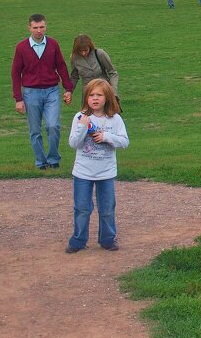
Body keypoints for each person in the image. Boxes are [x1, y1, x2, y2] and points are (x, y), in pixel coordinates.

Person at [66, 79, 128, 253]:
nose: (95, 99)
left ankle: (108, 239)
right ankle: (78, 240)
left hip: (106, 173)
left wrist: (107, 137)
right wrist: (82, 127)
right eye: (91, 95)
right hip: (83, 172)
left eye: (99, 95)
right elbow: (73, 143)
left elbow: (124, 141)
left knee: (107, 208)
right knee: (82, 208)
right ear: (86, 98)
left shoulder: (115, 119)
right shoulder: (80, 117)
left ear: (107, 97)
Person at [11, 14, 73, 170]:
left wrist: (68, 88)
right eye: (35, 28)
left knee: (53, 125)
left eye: (42, 27)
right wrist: (18, 98)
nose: (39, 31)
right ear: (29, 28)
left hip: (51, 90)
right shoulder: (21, 47)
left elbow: (61, 66)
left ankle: (53, 158)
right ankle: (40, 161)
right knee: (35, 130)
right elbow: (15, 72)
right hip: (31, 93)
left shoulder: (53, 44)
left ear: (46, 26)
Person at [69, 35, 120, 104]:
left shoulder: (99, 53)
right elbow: (74, 77)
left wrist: (113, 91)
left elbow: (113, 72)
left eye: (85, 50)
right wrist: (69, 91)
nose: (83, 53)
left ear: (90, 47)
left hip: (104, 90)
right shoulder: (74, 57)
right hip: (88, 93)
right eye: (80, 51)